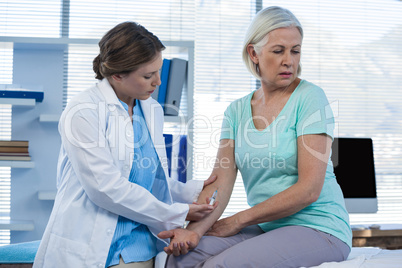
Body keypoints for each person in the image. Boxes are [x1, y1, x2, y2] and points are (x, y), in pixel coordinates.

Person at [158, 6, 352, 268]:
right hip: (267, 228)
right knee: (176, 260)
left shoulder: (310, 98)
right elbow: (219, 184)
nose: (289, 61)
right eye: (278, 50)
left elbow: (309, 190)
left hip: (318, 227)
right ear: (254, 53)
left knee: (221, 266)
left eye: (295, 51)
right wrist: (194, 231)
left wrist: (238, 220)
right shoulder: (236, 110)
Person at [33, 22, 217, 268]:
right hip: (91, 245)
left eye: (159, 71)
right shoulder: (83, 111)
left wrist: (191, 193)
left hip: (140, 247)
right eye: (148, 76)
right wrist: (178, 213)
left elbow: (147, 175)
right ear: (117, 74)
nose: (158, 82)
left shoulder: (150, 108)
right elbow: (105, 188)